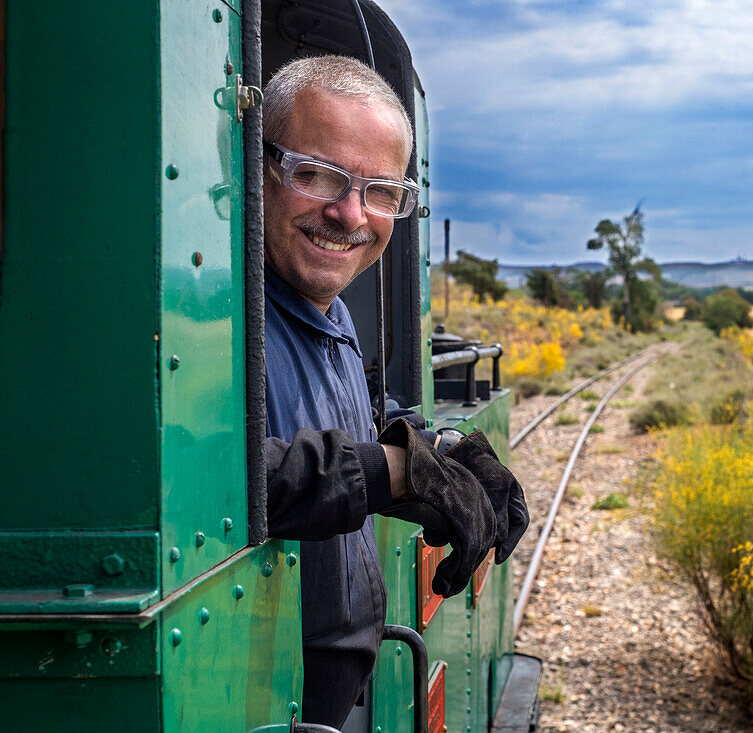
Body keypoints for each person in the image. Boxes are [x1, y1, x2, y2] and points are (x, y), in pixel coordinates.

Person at [258, 55, 528, 729]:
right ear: (256, 166)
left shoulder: (327, 309)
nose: (350, 214)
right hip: (267, 703)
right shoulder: (220, 324)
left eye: (381, 191)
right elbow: (223, 481)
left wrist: (444, 453)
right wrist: (400, 469)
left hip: (335, 699)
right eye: (316, 174)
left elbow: (340, 433)